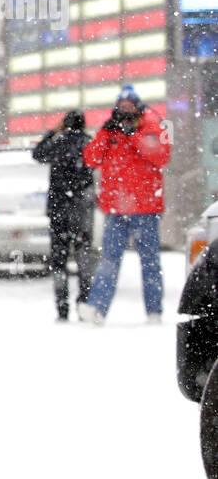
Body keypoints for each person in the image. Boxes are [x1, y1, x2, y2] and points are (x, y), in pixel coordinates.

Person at [80, 86, 172, 325]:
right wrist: (105, 135)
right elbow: (90, 158)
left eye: (130, 107)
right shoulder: (109, 132)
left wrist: (133, 136)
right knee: (109, 261)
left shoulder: (151, 127)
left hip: (145, 209)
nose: (126, 113)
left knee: (149, 262)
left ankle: (154, 311)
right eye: (122, 108)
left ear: (139, 108)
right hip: (116, 210)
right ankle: (98, 309)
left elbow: (160, 155)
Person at [33, 111, 96, 322]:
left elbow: (38, 154)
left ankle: (62, 306)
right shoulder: (88, 143)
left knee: (59, 261)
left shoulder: (58, 143)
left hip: (59, 209)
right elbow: (97, 162)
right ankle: (84, 302)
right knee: (84, 258)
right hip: (82, 209)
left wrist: (52, 132)